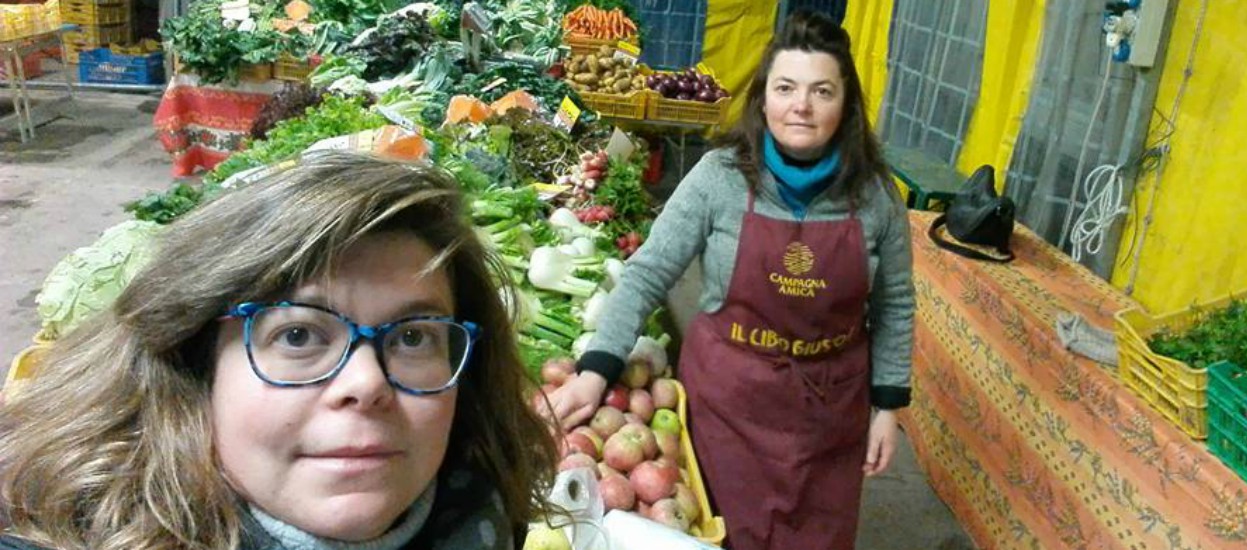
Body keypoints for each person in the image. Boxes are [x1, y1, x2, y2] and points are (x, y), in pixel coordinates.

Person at [0, 152, 559, 550]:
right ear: (196, 363)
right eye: (298, 336)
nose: (366, 384)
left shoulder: (487, 508)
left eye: (413, 337)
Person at [548, 11, 915, 550]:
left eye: (822, 91)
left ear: (847, 104)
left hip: (829, 415)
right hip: (729, 410)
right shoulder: (719, 178)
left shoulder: (875, 195)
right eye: (786, 87)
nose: (802, 106)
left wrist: (888, 407)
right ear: (763, 96)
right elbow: (649, 272)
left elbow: (896, 305)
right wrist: (596, 367)